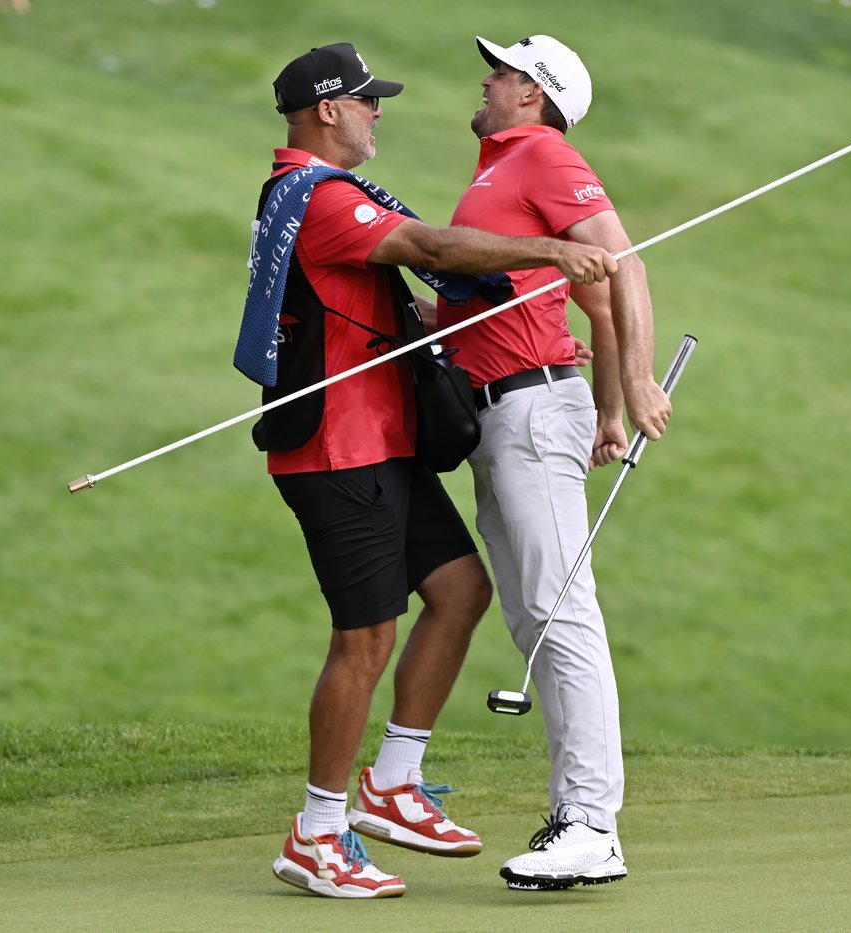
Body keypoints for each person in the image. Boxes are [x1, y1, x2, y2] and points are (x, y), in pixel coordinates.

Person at [250, 42, 620, 900]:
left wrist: (540, 342)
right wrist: (551, 252)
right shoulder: (320, 197)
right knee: (365, 638)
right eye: (366, 100)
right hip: (336, 447)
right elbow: (434, 249)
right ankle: (316, 833)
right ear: (328, 110)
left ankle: (392, 782)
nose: (378, 111)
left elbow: (401, 307)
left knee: (459, 590)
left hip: (383, 439)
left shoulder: (323, 192)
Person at [437, 34, 673, 890]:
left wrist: (636, 384)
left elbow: (621, 265)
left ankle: (590, 824)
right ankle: (580, 817)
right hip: (506, 414)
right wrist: (605, 409)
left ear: (533, 93)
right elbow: (590, 308)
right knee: (536, 615)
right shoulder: (498, 171)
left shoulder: (542, 155)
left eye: (501, 72)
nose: (488, 80)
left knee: (559, 612)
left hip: (531, 410)